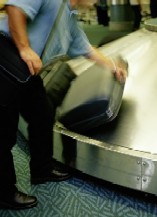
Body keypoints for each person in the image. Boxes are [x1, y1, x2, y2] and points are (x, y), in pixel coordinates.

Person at [0, 0, 127, 210]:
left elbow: (88, 50)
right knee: (3, 131)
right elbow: (15, 7)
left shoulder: (70, 20)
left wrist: (113, 67)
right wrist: (24, 48)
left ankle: (42, 169)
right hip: (6, 56)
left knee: (43, 115)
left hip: (28, 69)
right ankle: (3, 192)